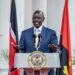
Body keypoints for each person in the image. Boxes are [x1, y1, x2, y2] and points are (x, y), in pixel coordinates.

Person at [15, 10, 58, 75]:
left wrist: (54, 50)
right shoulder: (24, 33)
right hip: (29, 70)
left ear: (43, 19)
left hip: (47, 70)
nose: (36, 20)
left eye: (38, 18)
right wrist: (18, 50)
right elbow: (22, 50)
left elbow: (58, 50)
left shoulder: (51, 33)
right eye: (34, 17)